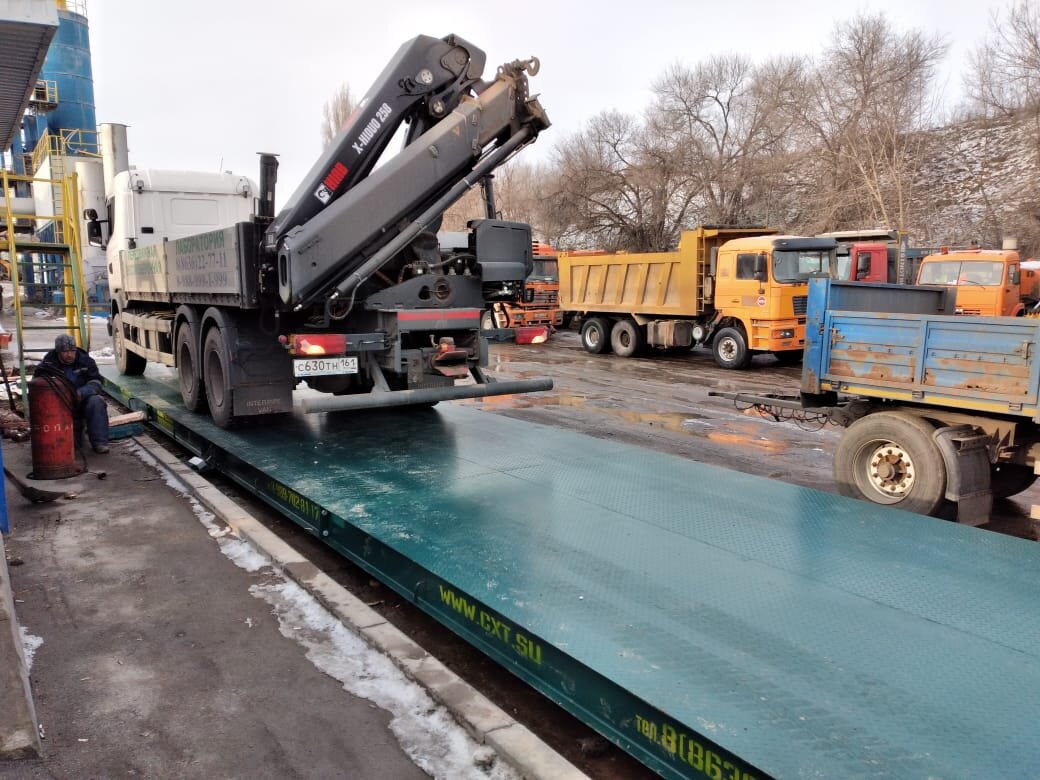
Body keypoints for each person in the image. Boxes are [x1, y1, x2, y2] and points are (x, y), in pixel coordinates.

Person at [39, 334, 109, 454]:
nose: (70, 355)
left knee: (96, 401)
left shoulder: (86, 361)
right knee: (69, 446)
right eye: (65, 352)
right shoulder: (48, 365)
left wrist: (80, 393)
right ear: (58, 352)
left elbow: (96, 383)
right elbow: (40, 386)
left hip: (81, 401)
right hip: (58, 404)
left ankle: (99, 443)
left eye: (72, 351)